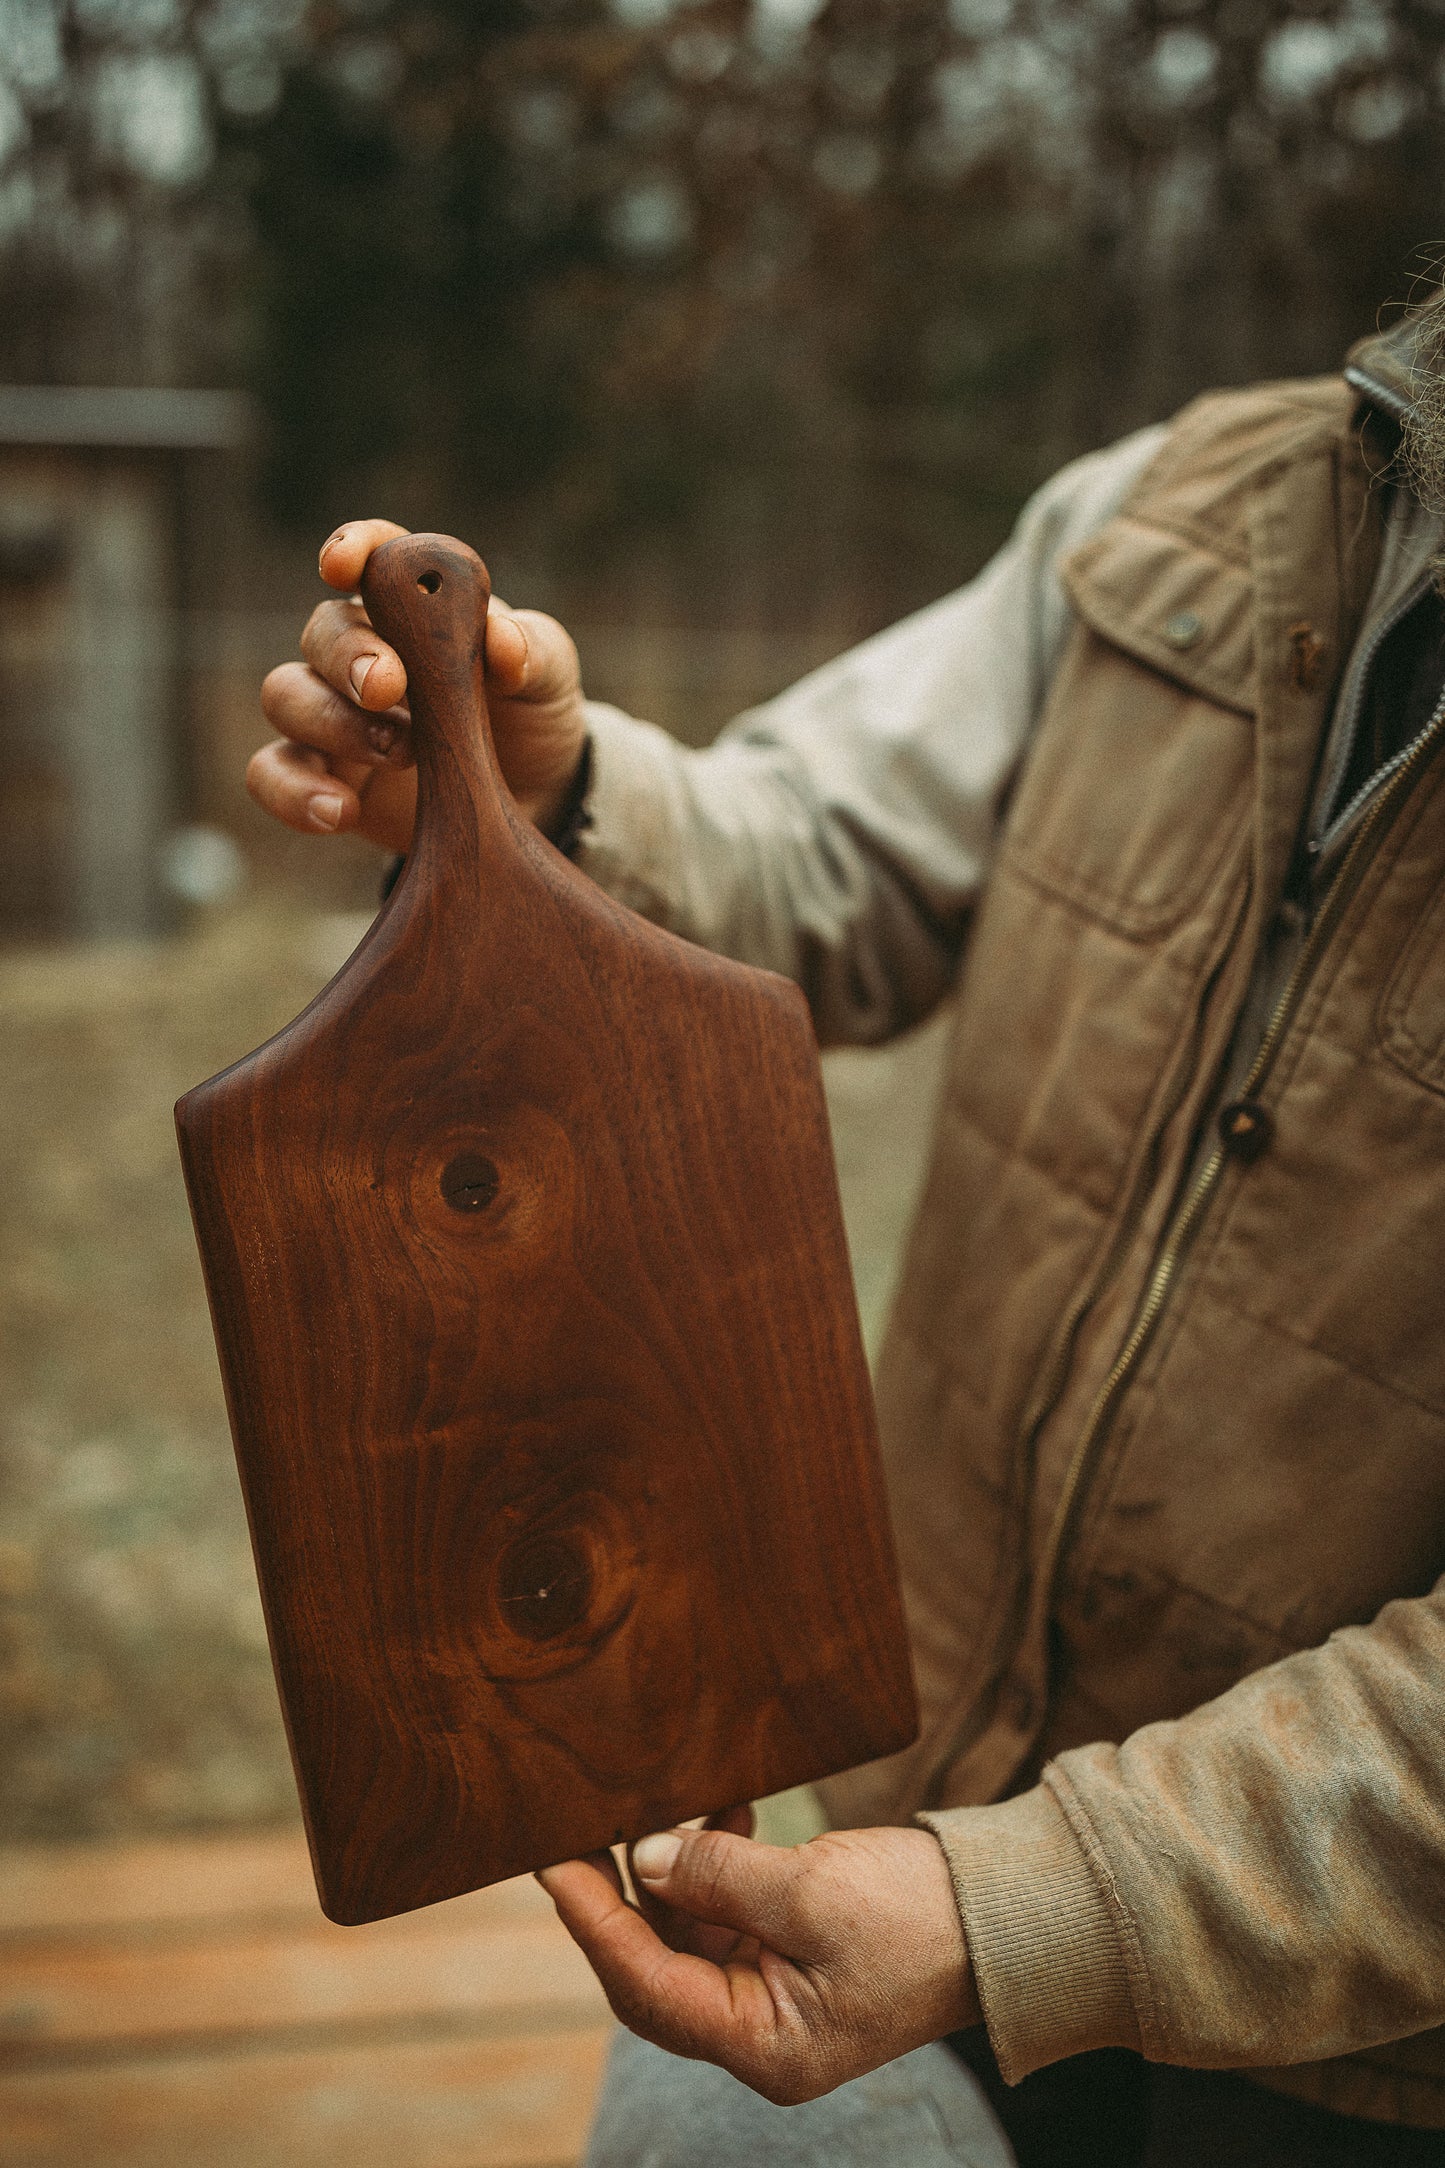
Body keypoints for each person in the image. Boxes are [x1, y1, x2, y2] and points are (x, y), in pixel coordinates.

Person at [249, 294, 1445, 2166]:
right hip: (920, 1832)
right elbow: (825, 856)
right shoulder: (1193, 503)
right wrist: (556, 797)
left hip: (1367, 2063)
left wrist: (1021, 1909)